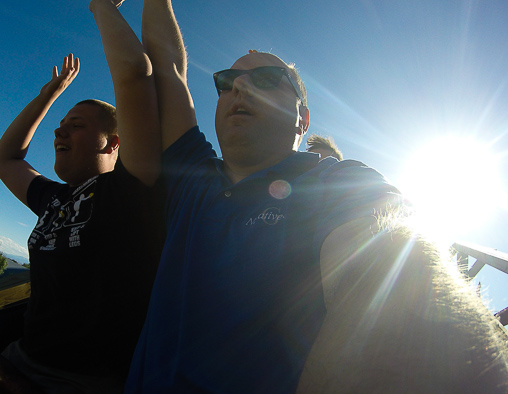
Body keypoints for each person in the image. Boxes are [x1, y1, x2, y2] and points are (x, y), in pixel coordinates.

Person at [123, 0, 508, 392]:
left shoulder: (338, 182)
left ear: (302, 120)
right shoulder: (193, 177)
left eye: (269, 79)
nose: (238, 85)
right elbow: (168, 68)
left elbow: (394, 260)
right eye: (226, 81)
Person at [0, 1, 163, 391]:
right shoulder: (54, 199)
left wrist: (100, 6)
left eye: (76, 126)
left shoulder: (130, 191)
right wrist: (50, 93)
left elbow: (136, 73)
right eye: (61, 124)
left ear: (114, 143)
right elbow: (5, 158)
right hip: (19, 362)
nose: (58, 132)